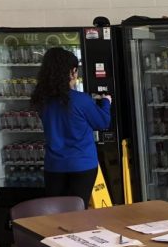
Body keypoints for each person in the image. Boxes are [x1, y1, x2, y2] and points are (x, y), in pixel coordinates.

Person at [30, 47, 111, 208]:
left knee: (56, 213)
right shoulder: (81, 99)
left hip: (54, 166)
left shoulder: (41, 99)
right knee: (77, 211)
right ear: (72, 72)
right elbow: (102, 123)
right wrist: (106, 103)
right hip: (82, 165)